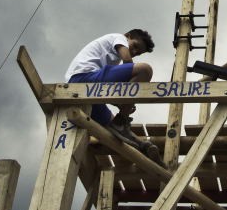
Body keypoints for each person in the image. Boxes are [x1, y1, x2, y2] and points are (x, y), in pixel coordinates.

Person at [65, 29, 160, 160]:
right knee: (145, 70)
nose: (134, 52)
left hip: (90, 91)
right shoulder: (118, 37)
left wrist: (122, 102)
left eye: (138, 53)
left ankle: (143, 144)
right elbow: (127, 61)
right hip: (82, 79)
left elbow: (107, 90)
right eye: (135, 46)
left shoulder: (110, 60)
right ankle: (122, 119)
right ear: (128, 36)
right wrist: (127, 101)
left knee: (111, 124)